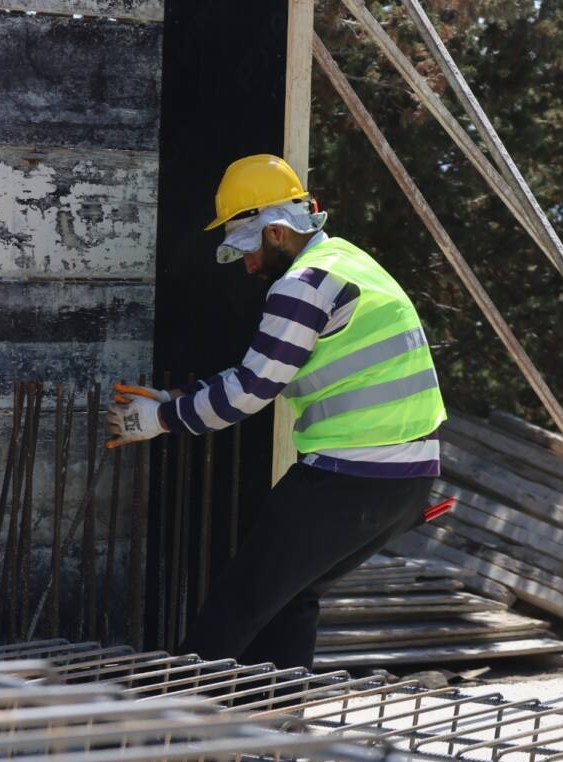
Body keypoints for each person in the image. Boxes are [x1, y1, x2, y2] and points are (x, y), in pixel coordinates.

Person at [107, 154, 446, 669]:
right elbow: (261, 370)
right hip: (409, 478)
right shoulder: (350, 262)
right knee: (291, 598)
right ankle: (277, 736)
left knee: (237, 605)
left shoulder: (302, 285)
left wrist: (158, 421)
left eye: (245, 247)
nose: (245, 264)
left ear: (277, 232)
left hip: (349, 477)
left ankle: (167, 739)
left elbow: (251, 390)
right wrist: (176, 401)